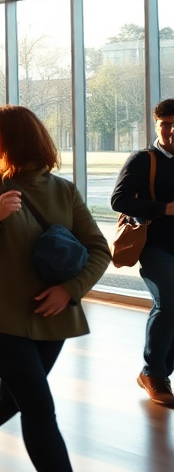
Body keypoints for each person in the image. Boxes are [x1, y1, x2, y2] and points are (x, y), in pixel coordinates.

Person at [0, 106, 109, 472]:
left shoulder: (63, 190)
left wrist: (71, 289)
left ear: (14, 139)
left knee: (15, 393)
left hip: (52, 315)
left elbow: (99, 249)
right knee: (38, 405)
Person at [112, 99, 174, 407]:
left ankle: (158, 371)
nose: (172, 130)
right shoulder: (143, 160)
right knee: (169, 302)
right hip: (155, 245)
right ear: (156, 125)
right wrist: (165, 208)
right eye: (166, 124)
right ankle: (154, 373)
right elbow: (118, 200)